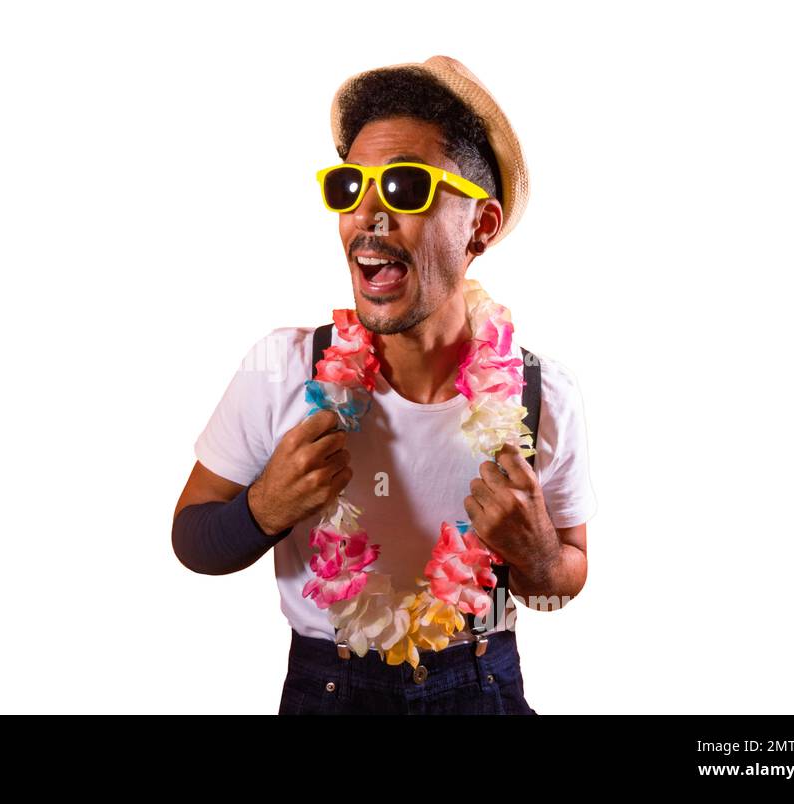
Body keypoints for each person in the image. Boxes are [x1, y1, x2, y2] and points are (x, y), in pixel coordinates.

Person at [172, 56, 597, 715]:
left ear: (480, 227)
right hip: (330, 690)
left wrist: (540, 561)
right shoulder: (284, 369)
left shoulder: (542, 393)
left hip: (482, 687)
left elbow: (565, 578)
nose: (366, 215)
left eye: (404, 187)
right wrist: (262, 510)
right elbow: (191, 540)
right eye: (348, 187)